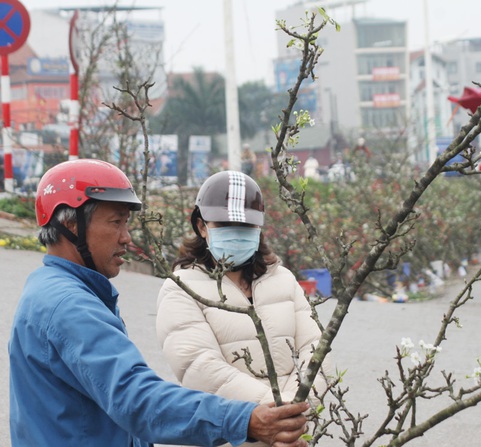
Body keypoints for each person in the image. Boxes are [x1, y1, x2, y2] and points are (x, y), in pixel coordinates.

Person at [9, 159, 309, 447]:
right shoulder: (69, 306)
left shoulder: (60, 291)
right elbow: (137, 400)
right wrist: (246, 420)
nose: (127, 237)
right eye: (116, 223)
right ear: (72, 225)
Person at [156, 170, 332, 447]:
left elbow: (315, 349)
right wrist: (277, 415)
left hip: (295, 435)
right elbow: (199, 367)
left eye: (246, 226)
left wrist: (296, 410)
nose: (236, 233)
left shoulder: (282, 279)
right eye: (224, 224)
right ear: (202, 226)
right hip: (233, 436)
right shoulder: (181, 288)